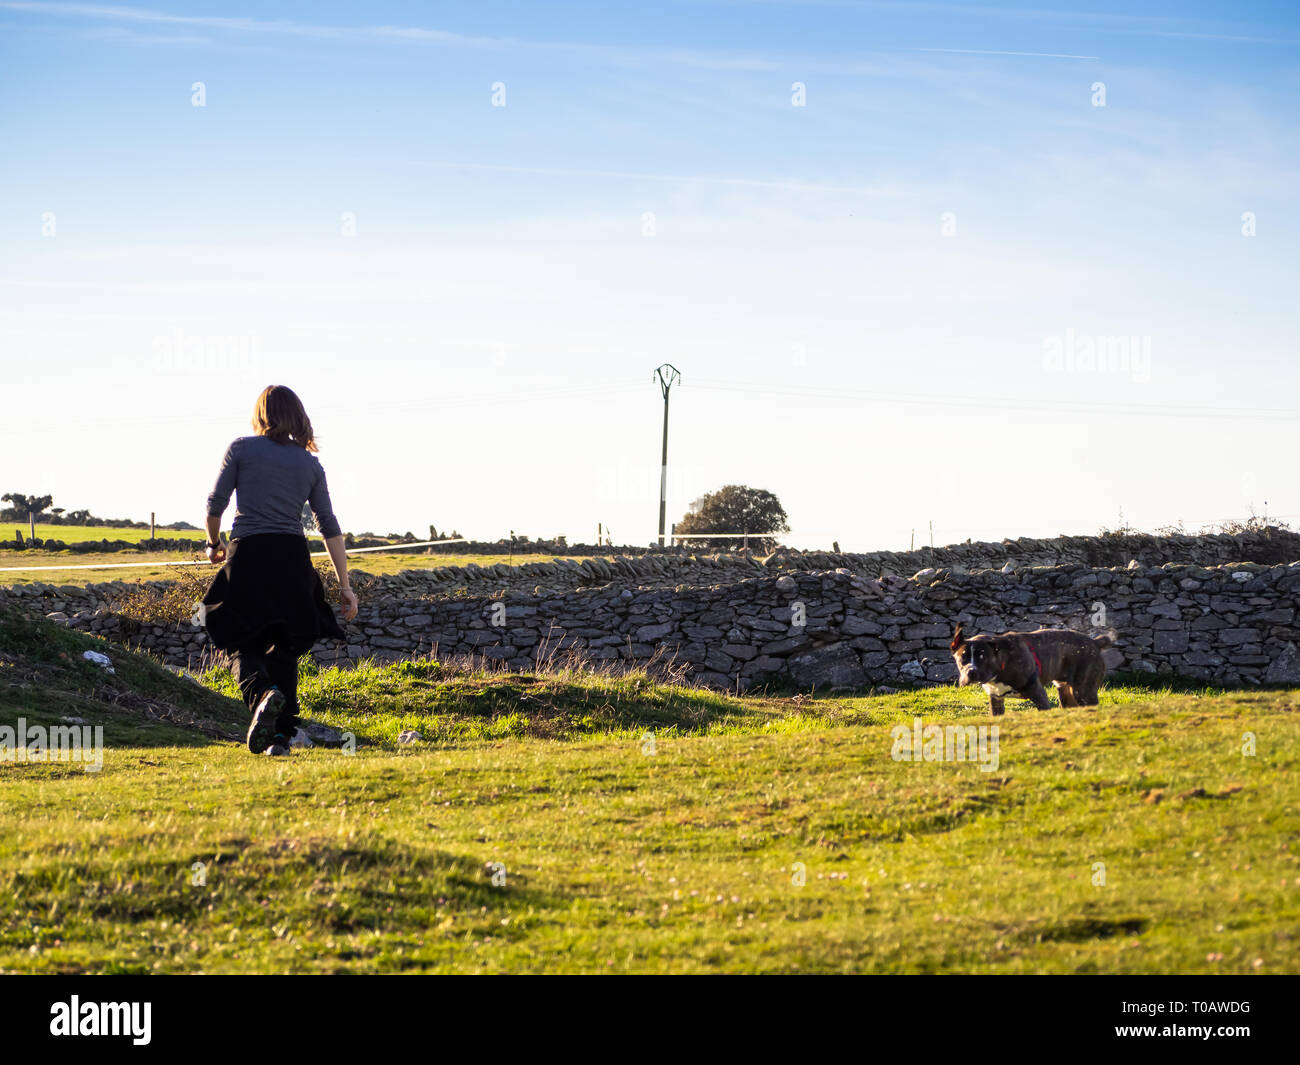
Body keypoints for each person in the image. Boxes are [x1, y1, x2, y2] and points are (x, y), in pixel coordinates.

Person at [201, 385, 359, 756]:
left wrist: (214, 544)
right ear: (298, 416)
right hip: (292, 558)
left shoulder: (241, 449)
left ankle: (262, 695)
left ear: (261, 414)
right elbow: (329, 525)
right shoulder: (310, 464)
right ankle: (280, 738)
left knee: (243, 641)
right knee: (287, 647)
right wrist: (345, 586)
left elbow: (215, 504)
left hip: (249, 555)